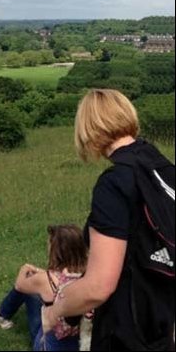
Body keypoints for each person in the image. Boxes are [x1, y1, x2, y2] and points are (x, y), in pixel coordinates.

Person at [41, 89, 175, 350]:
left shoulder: (115, 184)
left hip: (130, 332)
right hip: (165, 326)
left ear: (88, 131)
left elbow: (99, 286)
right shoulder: (165, 171)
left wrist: (56, 309)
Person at [0, 224, 88, 351]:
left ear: (57, 251)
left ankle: (1, 315)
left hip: (48, 346)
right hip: (81, 344)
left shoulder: (45, 280)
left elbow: (20, 285)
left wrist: (25, 268)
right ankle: (1, 315)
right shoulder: (90, 277)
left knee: (29, 282)